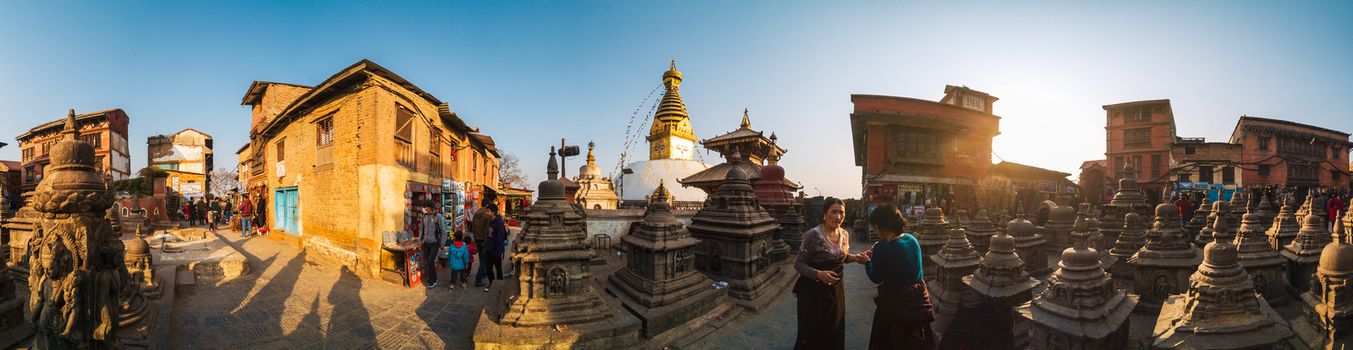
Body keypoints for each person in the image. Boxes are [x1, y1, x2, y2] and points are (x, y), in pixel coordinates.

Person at [794, 197, 871, 350]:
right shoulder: (813, 235)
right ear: (824, 214)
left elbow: (841, 258)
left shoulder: (844, 235)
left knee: (834, 328)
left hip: (835, 290)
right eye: (834, 212)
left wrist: (857, 258)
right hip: (813, 292)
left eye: (841, 212)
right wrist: (818, 274)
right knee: (813, 332)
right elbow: (799, 264)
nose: (838, 216)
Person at [865, 204, 935, 349]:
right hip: (918, 303)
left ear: (879, 226)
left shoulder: (882, 248)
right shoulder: (912, 239)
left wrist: (867, 262)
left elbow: (876, 276)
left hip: (895, 309)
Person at [479, 204, 508, 292]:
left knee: (498, 269)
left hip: (496, 250)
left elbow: (501, 238)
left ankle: (499, 285)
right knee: (488, 268)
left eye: (488, 211)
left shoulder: (499, 223)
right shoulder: (489, 221)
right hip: (489, 249)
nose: (486, 213)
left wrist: (498, 252)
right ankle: (491, 283)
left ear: (494, 212)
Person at [419, 206, 447, 289]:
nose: (424, 209)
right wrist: (420, 241)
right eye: (424, 208)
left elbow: (443, 230)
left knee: (431, 261)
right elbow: (421, 229)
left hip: (435, 243)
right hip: (426, 243)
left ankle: (433, 281)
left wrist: (442, 243)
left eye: (426, 207)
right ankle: (432, 278)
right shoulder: (423, 216)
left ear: (430, 208)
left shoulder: (437, 216)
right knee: (428, 262)